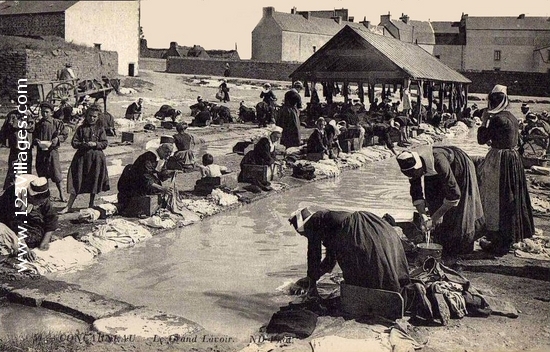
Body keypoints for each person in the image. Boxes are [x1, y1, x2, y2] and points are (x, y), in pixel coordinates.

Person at [289, 207, 410, 297]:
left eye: (301, 233)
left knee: (367, 264)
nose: (304, 236)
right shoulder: (325, 223)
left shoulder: (313, 222)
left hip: (354, 229)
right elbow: (330, 260)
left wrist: (311, 279)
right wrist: (314, 277)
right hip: (368, 224)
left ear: (302, 227)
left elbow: (313, 255)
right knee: (376, 260)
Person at [477, 84, 534, 255]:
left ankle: (499, 242)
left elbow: (481, 139)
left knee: (496, 199)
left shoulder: (496, 119)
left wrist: (484, 121)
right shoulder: (512, 117)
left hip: (500, 160)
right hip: (513, 159)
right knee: (511, 197)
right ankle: (508, 238)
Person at [397, 146, 485, 256]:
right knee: (433, 200)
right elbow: (416, 193)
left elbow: (454, 194)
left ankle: (463, 243)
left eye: (418, 174)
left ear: (420, 167)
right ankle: (443, 239)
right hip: (435, 170)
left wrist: (434, 218)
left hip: (459, 166)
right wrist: (423, 216)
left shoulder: (438, 161)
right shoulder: (412, 166)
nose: (416, 177)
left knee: (461, 207)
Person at [60, 106, 110, 214]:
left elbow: (105, 143)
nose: (92, 118)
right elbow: (74, 143)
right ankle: (68, 206)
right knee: (77, 180)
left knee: (94, 181)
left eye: (94, 117)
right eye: (90, 116)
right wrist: (84, 144)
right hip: (82, 159)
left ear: (97, 117)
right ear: (86, 116)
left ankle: (91, 204)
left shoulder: (100, 129)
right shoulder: (81, 128)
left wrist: (96, 144)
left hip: (96, 159)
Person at [0, 175, 57, 250]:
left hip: (25, 222)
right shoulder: (14, 196)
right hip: (6, 221)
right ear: (31, 197)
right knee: (12, 244)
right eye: (38, 203)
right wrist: (24, 248)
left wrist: (45, 241)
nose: (40, 204)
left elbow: (51, 218)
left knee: (37, 236)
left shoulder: (43, 197)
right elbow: (14, 223)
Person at [117, 143, 175, 210]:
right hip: (131, 183)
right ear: (160, 149)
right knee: (153, 190)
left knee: (157, 186)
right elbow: (145, 179)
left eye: (170, 153)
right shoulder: (148, 158)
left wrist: (171, 173)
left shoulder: (162, 158)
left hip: (143, 180)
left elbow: (161, 174)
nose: (168, 155)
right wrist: (163, 189)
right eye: (166, 152)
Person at [33, 102, 68, 202]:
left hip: (52, 153)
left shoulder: (57, 123)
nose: (44, 114)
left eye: (47, 112)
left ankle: (62, 194)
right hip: (41, 153)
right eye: (43, 112)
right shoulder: (39, 124)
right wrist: (36, 141)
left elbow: (65, 133)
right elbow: (34, 136)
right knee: (42, 175)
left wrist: (58, 139)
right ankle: (46, 196)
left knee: (56, 174)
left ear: (52, 112)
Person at [1, 109, 34, 190]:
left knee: (26, 169)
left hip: (26, 147)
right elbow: (5, 129)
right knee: (13, 169)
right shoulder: (12, 115)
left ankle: (26, 191)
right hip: (16, 147)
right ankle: (9, 191)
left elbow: (32, 128)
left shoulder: (30, 116)